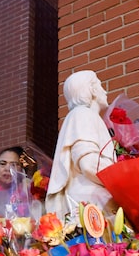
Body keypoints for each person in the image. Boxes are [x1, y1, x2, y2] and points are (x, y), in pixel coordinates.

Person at [45, 70, 116, 221]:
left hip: (93, 199)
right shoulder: (83, 114)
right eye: (100, 85)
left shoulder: (87, 116)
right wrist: (123, 181)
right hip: (89, 201)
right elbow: (89, 164)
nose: (105, 90)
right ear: (91, 90)